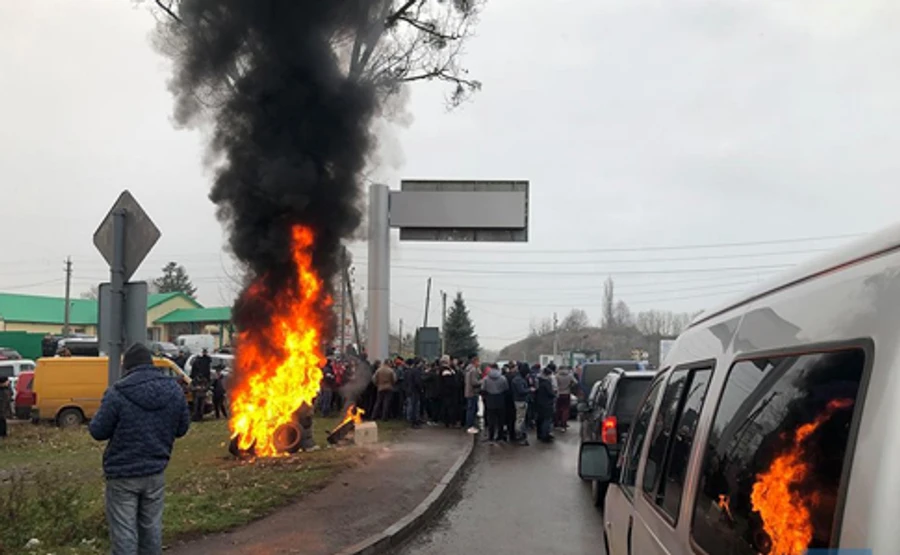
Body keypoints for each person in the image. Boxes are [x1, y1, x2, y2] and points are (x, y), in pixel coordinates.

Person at [89, 342, 190, 554]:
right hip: (155, 470)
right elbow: (182, 429)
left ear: (127, 367)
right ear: (150, 363)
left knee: (124, 532)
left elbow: (98, 431)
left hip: (122, 473)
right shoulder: (174, 389)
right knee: (151, 529)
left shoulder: (117, 392)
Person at [481, 363, 508, 443]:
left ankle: (491, 436)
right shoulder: (503, 378)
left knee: (491, 419)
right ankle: (500, 436)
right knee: (500, 419)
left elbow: (483, 389)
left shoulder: (486, 378)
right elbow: (506, 388)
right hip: (500, 399)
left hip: (490, 400)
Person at [511, 362, 531, 445]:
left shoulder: (517, 379)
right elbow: (521, 391)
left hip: (518, 400)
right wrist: (530, 390)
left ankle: (520, 435)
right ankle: (519, 436)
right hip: (521, 401)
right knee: (520, 419)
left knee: (520, 419)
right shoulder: (519, 380)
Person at [535, 366, 556, 442]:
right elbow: (551, 393)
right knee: (547, 420)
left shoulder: (538, 381)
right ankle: (545, 435)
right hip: (547, 404)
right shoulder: (547, 383)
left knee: (540, 419)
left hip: (539, 403)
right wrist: (554, 394)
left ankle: (540, 435)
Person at [191, 349, 212, 421]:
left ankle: (200, 417)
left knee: (201, 407)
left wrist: (203, 388)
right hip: (197, 394)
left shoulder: (204, 380)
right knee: (196, 406)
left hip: (202, 394)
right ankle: (195, 417)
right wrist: (196, 388)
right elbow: (191, 386)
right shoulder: (195, 380)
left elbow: (207, 386)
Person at [438, 356, 459, 427]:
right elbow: (448, 382)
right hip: (448, 392)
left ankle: (448, 421)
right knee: (449, 407)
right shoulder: (445, 370)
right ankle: (450, 422)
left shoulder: (447, 369)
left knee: (447, 406)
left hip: (447, 391)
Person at [463, 355, 482, 434]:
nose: (479, 363)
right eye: (478, 361)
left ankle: (470, 425)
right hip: (473, 392)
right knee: (472, 410)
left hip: (468, 391)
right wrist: (482, 381)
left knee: (471, 409)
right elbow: (474, 382)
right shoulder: (473, 370)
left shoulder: (468, 369)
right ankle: (470, 426)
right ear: (475, 361)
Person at [555, 365, 578, 431]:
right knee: (566, 409)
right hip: (567, 393)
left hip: (558, 394)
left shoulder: (557, 376)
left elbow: (554, 385)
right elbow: (576, 382)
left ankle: (557, 423)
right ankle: (564, 424)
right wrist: (570, 386)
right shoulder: (569, 375)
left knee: (558, 409)